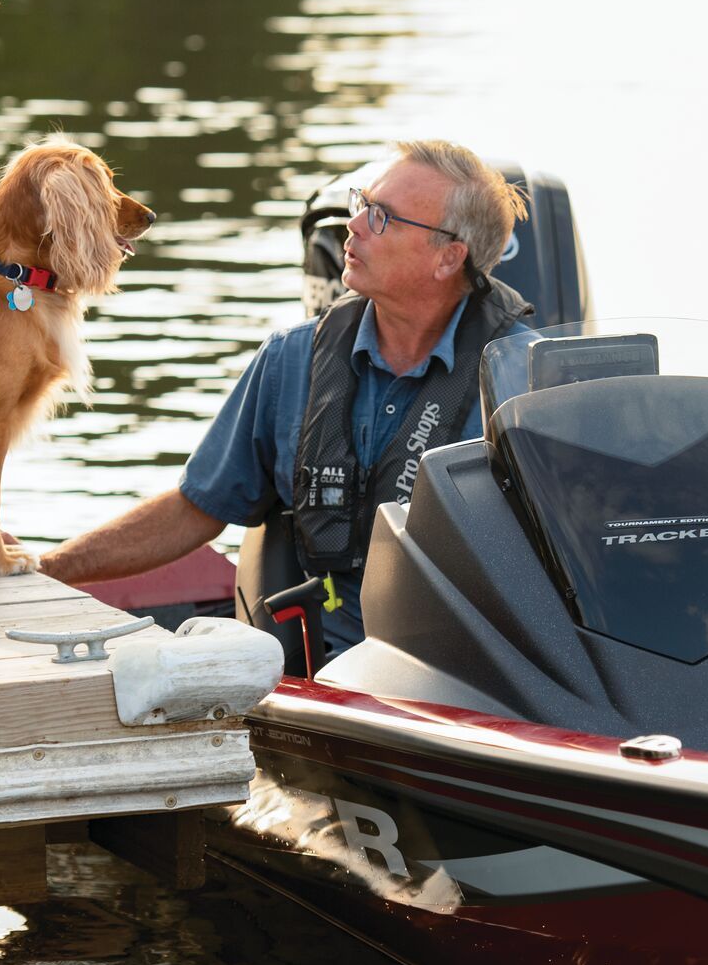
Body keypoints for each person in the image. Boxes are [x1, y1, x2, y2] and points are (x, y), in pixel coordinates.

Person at [40, 140, 533, 658]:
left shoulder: (526, 380)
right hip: (323, 678)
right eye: (361, 202)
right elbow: (195, 510)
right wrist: (48, 568)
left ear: (447, 257)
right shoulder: (291, 359)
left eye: (383, 217)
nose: (355, 224)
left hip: (469, 674)